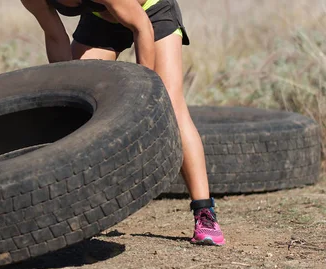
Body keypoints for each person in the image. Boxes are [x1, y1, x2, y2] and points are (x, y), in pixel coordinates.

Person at [21, 0, 225, 245]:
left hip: (151, 13)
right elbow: (55, 37)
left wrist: (147, 101)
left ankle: (204, 213)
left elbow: (142, 27)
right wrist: (68, 93)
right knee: (77, 103)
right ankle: (71, 208)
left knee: (170, 103)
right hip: (101, 17)